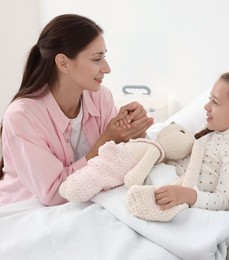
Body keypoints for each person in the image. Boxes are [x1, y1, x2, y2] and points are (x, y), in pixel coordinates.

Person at [0, 14, 154, 206]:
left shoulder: (100, 96)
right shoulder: (22, 116)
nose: (107, 68)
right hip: (27, 209)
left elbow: (122, 157)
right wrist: (107, 141)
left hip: (83, 202)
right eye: (97, 59)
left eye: (104, 57)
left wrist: (132, 126)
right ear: (63, 63)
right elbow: (55, 193)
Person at [154, 69, 229, 211]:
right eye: (210, 99)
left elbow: (223, 200)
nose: (206, 106)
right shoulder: (210, 129)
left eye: (215, 102)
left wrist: (187, 195)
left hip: (177, 190)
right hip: (162, 176)